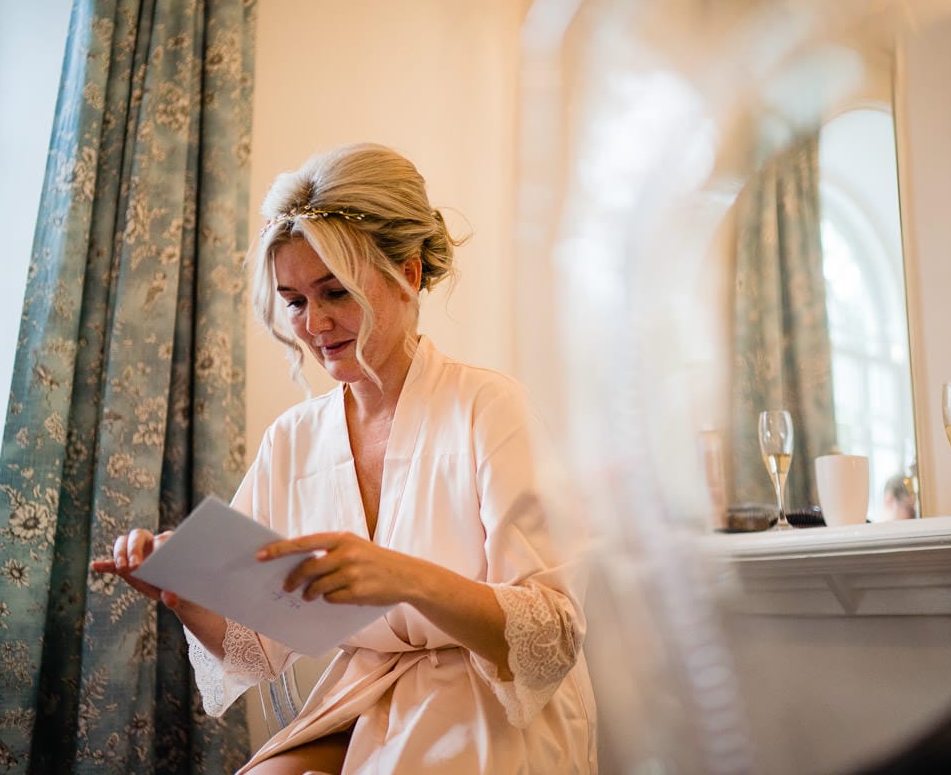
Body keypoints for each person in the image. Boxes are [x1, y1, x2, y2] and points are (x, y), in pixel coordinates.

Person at [92, 142, 597, 774]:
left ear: (408, 274)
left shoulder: (488, 408)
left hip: (492, 702)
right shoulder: (293, 440)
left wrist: (405, 577)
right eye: (296, 301)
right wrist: (180, 590)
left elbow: (550, 635)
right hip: (362, 697)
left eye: (336, 291)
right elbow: (256, 646)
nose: (316, 324)